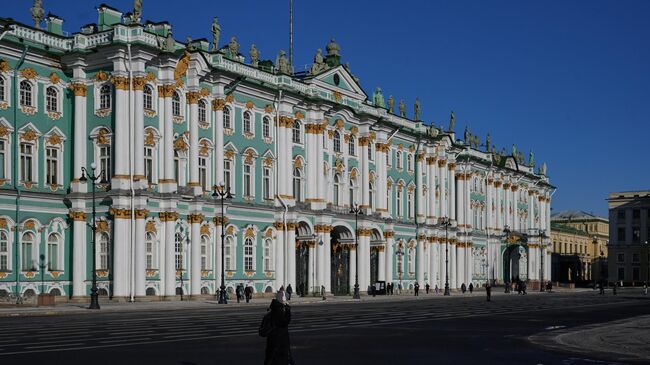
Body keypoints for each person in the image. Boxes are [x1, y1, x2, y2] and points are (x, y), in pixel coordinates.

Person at [262, 299, 294, 365]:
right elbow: (286, 322)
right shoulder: (280, 316)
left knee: (270, 360)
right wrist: (288, 311)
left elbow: (262, 332)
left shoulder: (268, 316)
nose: (282, 310)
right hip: (281, 346)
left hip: (273, 345)